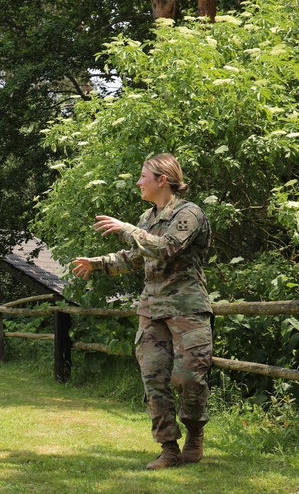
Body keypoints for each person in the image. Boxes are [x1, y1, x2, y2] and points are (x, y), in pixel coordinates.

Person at [71, 153, 213, 470]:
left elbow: (165, 248)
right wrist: (97, 264)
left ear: (162, 179)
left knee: (189, 377)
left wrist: (126, 228)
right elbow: (136, 257)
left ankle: (194, 433)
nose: (138, 182)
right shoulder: (147, 218)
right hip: (152, 310)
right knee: (154, 378)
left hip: (187, 308)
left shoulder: (189, 213)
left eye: (143, 176)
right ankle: (168, 448)